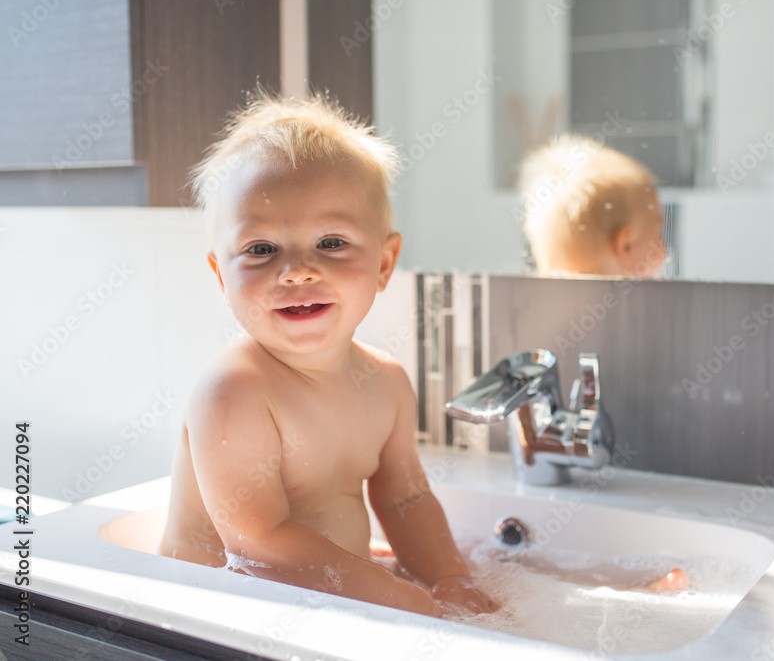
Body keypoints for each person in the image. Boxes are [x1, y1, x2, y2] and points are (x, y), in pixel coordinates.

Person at [158, 92, 494, 618]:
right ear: (221, 275)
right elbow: (257, 543)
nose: (296, 270)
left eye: (331, 243)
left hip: (325, 605)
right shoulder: (235, 389)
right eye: (261, 249)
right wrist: (394, 596)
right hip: (215, 617)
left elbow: (406, 501)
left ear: (385, 264)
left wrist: (448, 578)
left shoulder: (385, 383)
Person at [518, 134, 668, 277]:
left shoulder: (533, 301)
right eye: (658, 234)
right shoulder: (639, 303)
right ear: (626, 246)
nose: (665, 252)